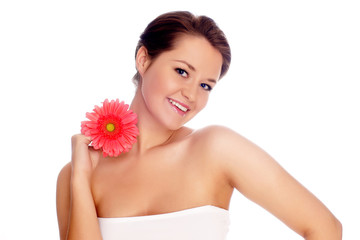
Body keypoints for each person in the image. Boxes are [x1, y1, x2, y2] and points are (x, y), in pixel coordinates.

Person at [56, 11, 342, 240]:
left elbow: (325, 229)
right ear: (143, 60)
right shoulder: (78, 173)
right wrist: (80, 178)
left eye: (205, 85)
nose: (192, 95)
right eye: (182, 71)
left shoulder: (216, 148)